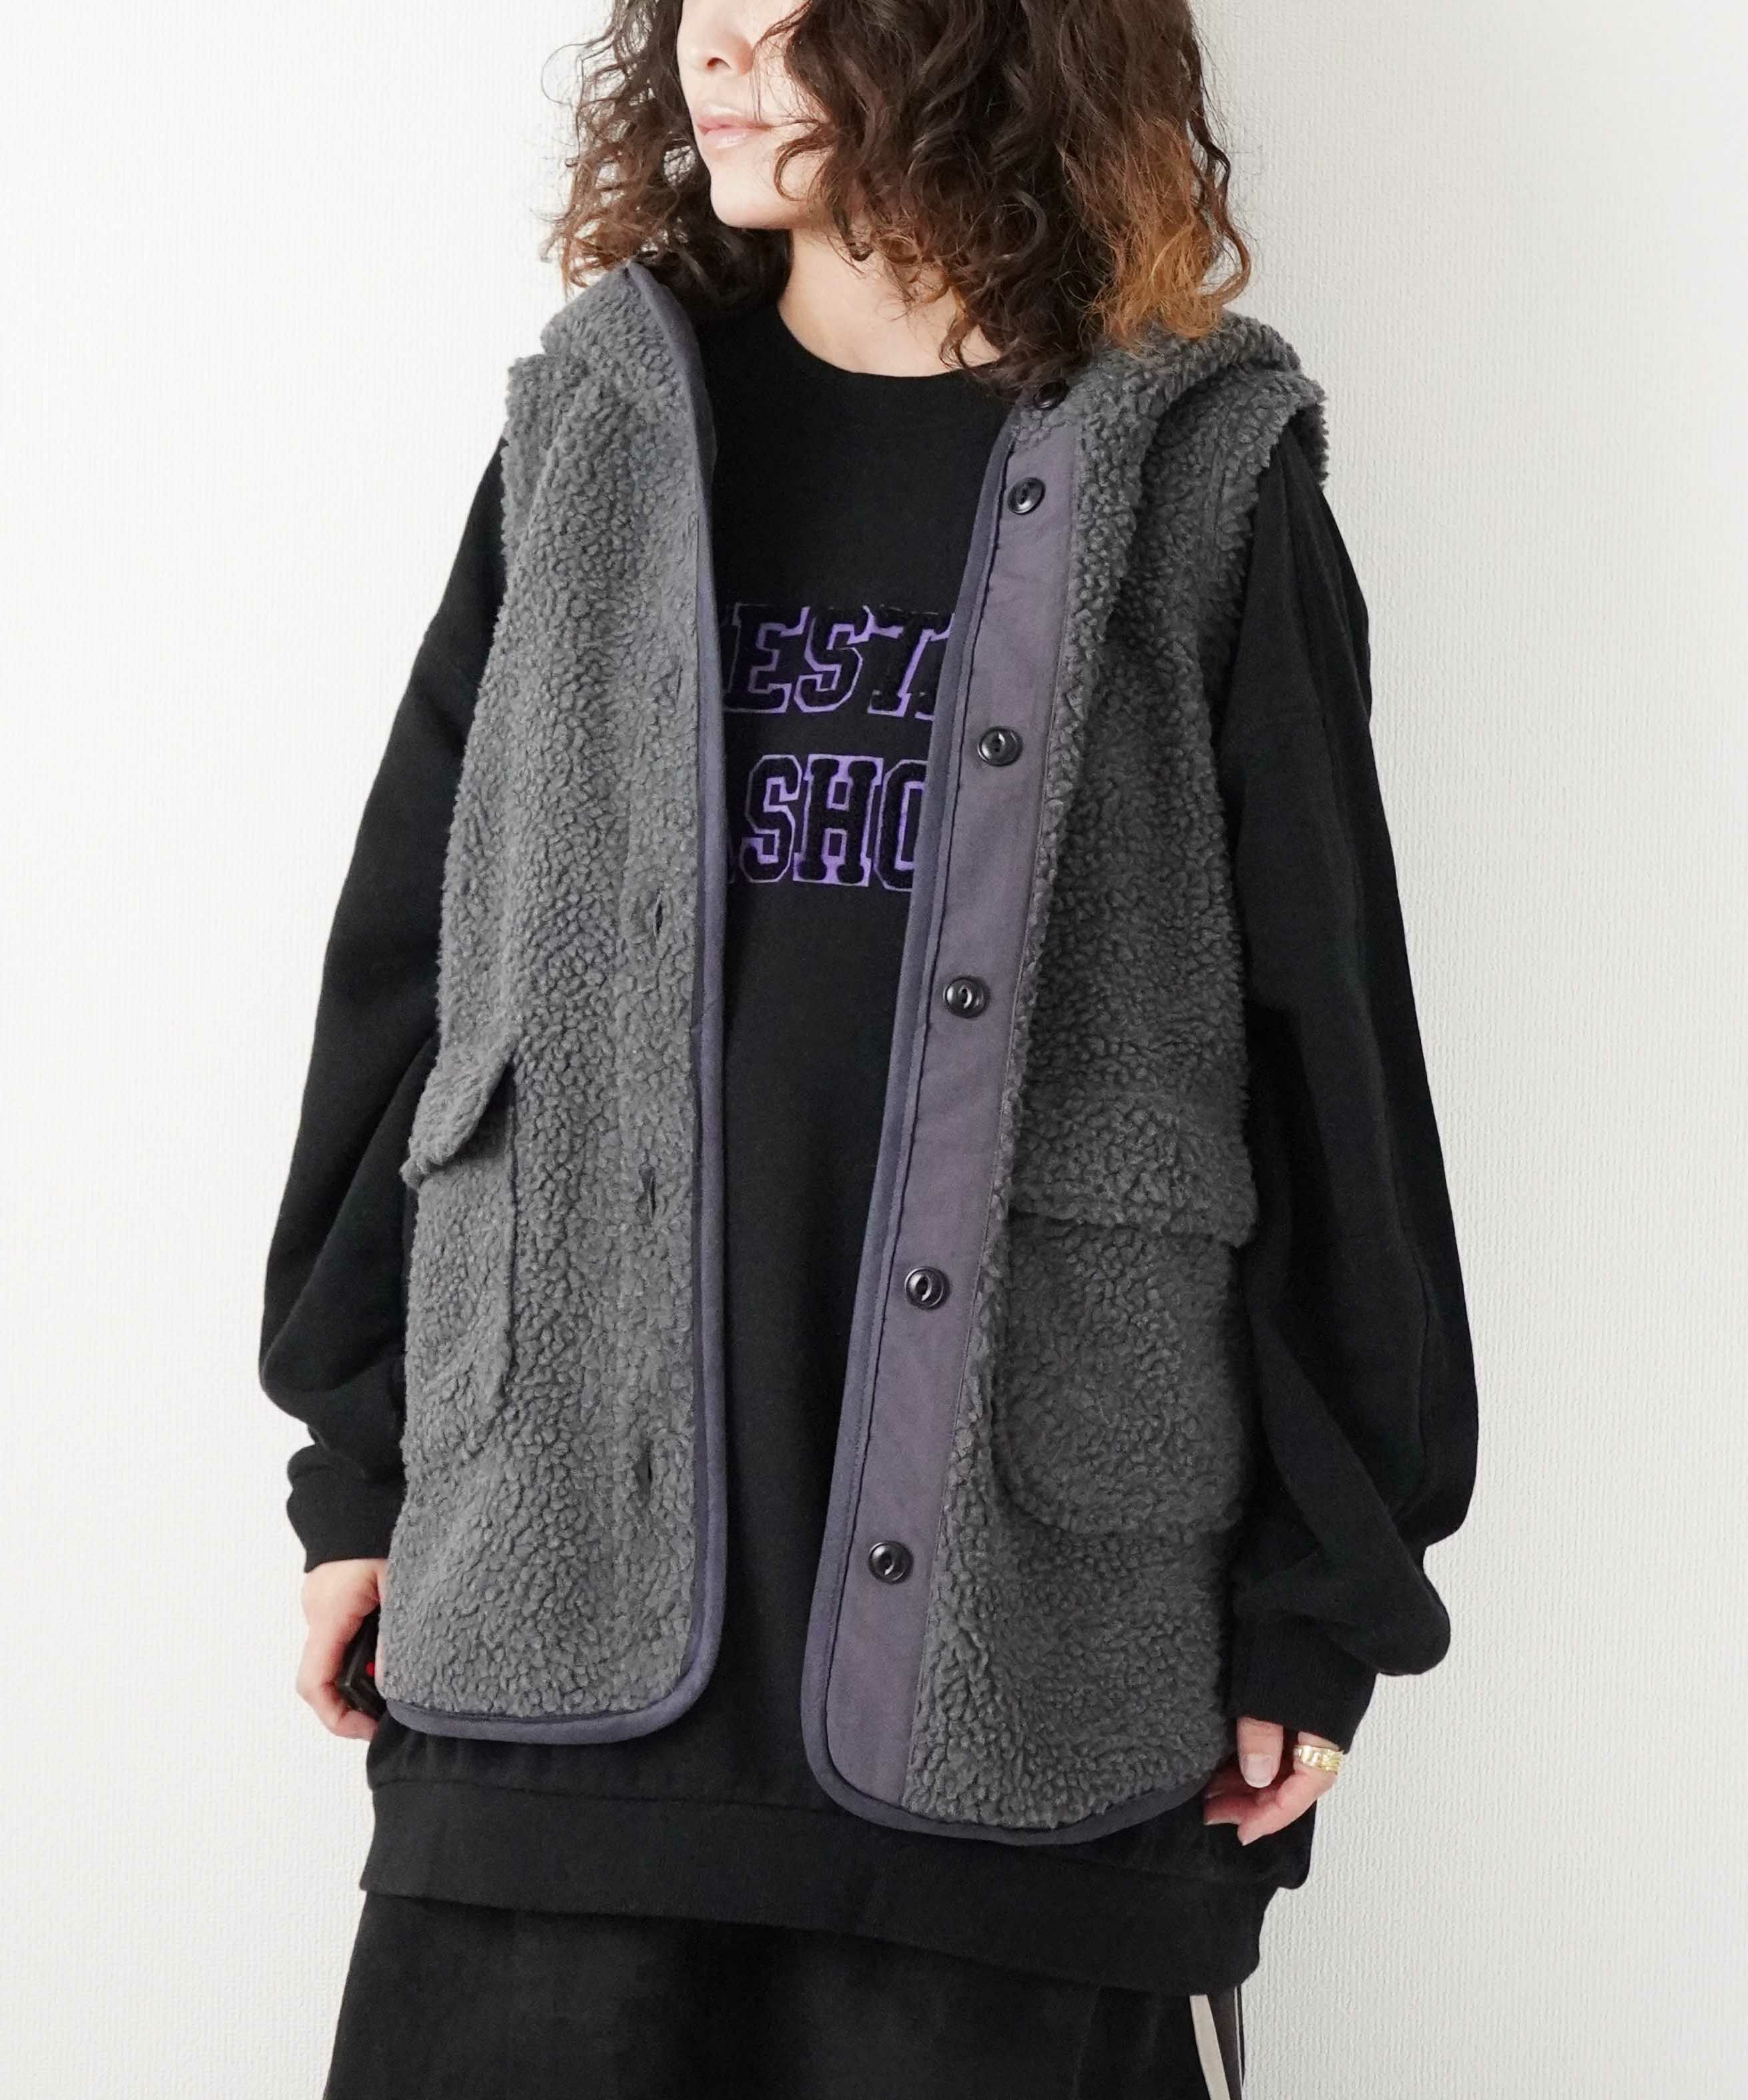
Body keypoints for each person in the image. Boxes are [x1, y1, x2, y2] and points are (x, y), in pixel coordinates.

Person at [258, 0, 1479, 2092]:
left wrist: (1322, 1584)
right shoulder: (592, 433)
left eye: (797, 6)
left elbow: (1329, 1049)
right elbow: (415, 960)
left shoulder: (1196, 473)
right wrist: (358, 1453)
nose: (719, 48)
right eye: (699, 9)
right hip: (552, 1603)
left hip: (1027, 1641)